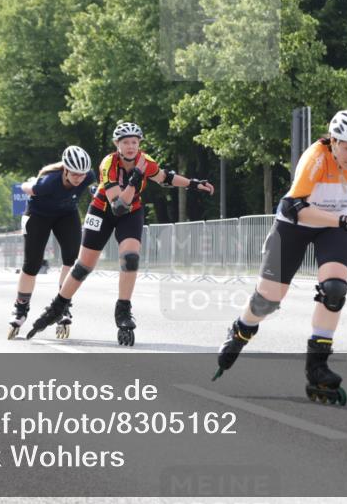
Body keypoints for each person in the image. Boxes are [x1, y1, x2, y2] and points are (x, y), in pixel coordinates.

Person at [211, 110, 347, 406]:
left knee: (335, 290)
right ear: (333, 141)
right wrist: (342, 221)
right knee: (267, 301)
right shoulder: (315, 158)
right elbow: (292, 208)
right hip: (293, 227)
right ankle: (241, 329)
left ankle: (317, 365)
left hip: (332, 226)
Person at [26, 122, 215, 346]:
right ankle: (57, 307)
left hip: (131, 213)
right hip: (103, 210)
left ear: (139, 144)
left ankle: (123, 310)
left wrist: (193, 183)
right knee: (83, 266)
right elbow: (118, 205)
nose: (131, 146)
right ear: (117, 145)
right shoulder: (109, 163)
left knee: (131, 257)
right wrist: (135, 177)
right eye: (125, 142)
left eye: (135, 142)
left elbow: (164, 177)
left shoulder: (146, 161)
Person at [7, 145, 97, 340]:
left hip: (66, 214)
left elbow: (95, 188)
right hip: (39, 215)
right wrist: (30, 183)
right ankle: (20, 308)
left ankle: (63, 303)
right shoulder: (48, 182)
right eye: (74, 174)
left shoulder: (89, 176)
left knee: (72, 260)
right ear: (65, 169)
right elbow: (24, 188)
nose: (78, 178)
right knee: (32, 264)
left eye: (82, 175)